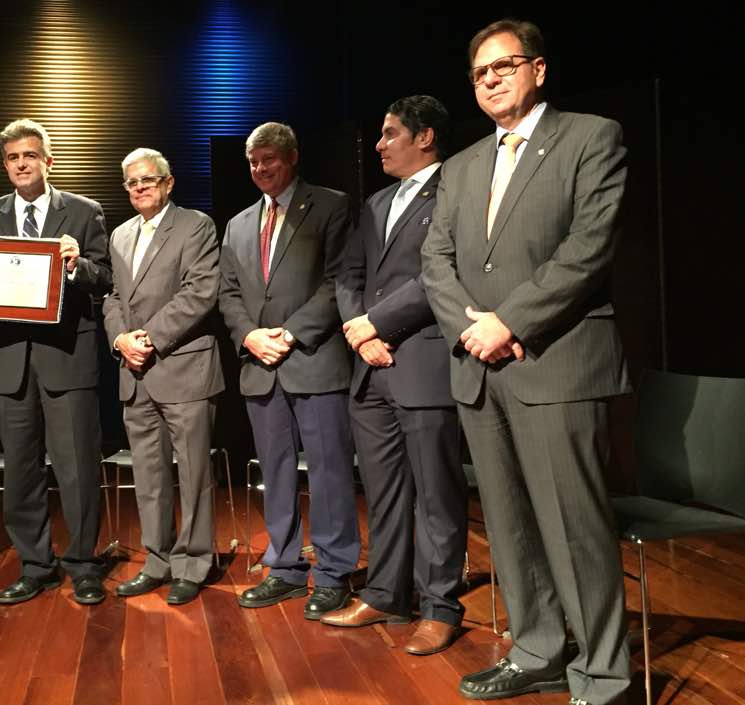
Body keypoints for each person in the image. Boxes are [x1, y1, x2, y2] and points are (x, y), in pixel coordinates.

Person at [421, 19, 631, 705]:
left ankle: (603, 678)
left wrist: (510, 321)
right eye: (479, 71)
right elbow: (436, 261)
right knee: (508, 527)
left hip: (557, 361)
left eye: (503, 65)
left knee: (575, 527)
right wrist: (472, 330)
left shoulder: (591, 137)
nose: (490, 79)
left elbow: (589, 247)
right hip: (480, 370)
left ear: (538, 69)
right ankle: (540, 647)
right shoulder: (460, 165)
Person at [325, 95, 467, 656]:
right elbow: (347, 273)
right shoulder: (376, 202)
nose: (379, 144)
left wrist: (377, 324)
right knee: (383, 492)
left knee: (436, 494)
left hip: (424, 360)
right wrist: (360, 330)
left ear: (425, 136)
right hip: (370, 368)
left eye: (389, 134)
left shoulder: (456, 189)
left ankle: (440, 605)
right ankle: (386, 592)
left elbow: (442, 274)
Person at [0, 119, 112, 605]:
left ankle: (84, 564)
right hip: (8, 364)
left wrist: (77, 265)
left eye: (30, 155)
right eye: (12, 158)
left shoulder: (84, 213)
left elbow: (105, 279)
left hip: (67, 359)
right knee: (21, 471)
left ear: (49, 160)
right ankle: (35, 565)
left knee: (77, 469)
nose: (21, 164)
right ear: (5, 165)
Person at [218, 121, 359, 619]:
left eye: (269, 159)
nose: (260, 169)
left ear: (293, 157)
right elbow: (228, 294)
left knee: (329, 471)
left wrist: (292, 333)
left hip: (314, 360)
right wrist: (249, 336)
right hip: (260, 365)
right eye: (253, 161)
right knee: (274, 473)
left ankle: (334, 572)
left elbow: (339, 282)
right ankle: (284, 568)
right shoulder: (237, 224)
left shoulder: (332, 205)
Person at [102, 148, 224, 605]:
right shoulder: (119, 235)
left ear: (169, 183)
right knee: (149, 475)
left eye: (147, 180)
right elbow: (114, 297)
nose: (139, 188)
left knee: (192, 473)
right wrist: (120, 341)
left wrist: (147, 339)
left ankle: (193, 564)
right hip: (135, 372)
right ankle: (158, 562)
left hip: (182, 368)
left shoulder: (195, 226)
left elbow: (201, 293)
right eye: (131, 182)